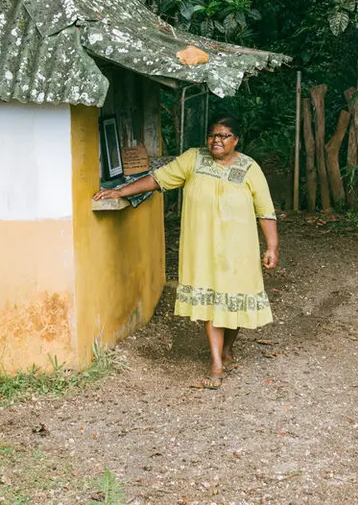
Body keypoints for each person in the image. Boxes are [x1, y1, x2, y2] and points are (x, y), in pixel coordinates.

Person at [93, 115, 278, 388]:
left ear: (236, 140)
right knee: (212, 307)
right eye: (213, 135)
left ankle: (226, 350)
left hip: (238, 250)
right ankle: (216, 364)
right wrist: (120, 192)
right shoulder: (193, 159)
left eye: (224, 135)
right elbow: (157, 180)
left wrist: (271, 246)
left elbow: (265, 210)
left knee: (233, 304)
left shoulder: (250, 168)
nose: (216, 140)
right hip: (201, 249)